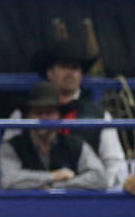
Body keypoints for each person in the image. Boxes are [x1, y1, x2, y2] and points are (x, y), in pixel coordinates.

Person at [7, 38, 126, 188]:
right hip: (28, 198)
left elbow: (114, 165)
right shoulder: (22, 115)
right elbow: (5, 168)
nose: (70, 73)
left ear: (81, 74)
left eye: (75, 68)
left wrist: (99, 191)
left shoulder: (99, 116)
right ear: (50, 72)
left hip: (83, 200)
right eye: (64, 67)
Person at [0, 81, 106, 190]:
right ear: (28, 116)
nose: (44, 117)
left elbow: (99, 178)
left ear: (59, 116)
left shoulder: (76, 145)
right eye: (38, 112)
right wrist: (53, 176)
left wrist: (57, 186)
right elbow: (7, 180)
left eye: (50, 112)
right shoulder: (12, 146)